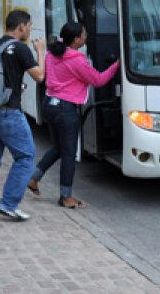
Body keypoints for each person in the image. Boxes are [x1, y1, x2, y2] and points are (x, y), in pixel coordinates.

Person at [27, 22, 119, 209]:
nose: (87, 36)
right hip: (65, 109)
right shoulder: (77, 60)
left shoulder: (53, 52)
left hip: (49, 105)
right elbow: (99, 80)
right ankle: (66, 197)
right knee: (69, 154)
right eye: (84, 34)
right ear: (77, 40)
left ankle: (33, 178)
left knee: (59, 147)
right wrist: (117, 65)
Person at [0, 10, 45, 222]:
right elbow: (40, 76)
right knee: (26, 157)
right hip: (9, 112)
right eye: (29, 26)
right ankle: (9, 203)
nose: (30, 30)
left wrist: (17, 87)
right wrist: (40, 51)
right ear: (21, 27)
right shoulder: (21, 48)